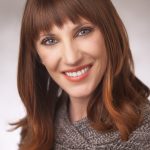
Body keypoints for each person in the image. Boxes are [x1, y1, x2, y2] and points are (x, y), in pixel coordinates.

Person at [13, 0, 150, 149]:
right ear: (37, 55)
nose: (72, 58)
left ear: (109, 33)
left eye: (83, 31)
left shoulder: (144, 135)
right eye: (50, 40)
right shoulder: (35, 128)